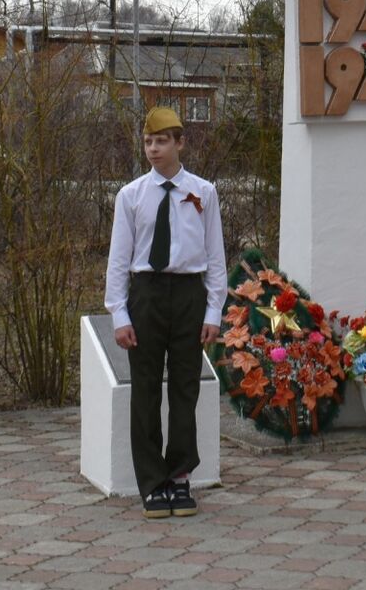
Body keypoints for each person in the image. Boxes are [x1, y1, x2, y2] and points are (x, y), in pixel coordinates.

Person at [103, 106, 226, 518]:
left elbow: (215, 256)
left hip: (189, 294)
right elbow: (119, 260)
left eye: (161, 141)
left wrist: (213, 311)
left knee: (185, 389)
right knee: (146, 389)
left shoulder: (203, 192)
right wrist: (120, 314)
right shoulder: (132, 195)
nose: (153, 149)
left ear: (180, 143)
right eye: (148, 142)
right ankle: (152, 482)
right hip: (148, 295)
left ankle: (179, 476)